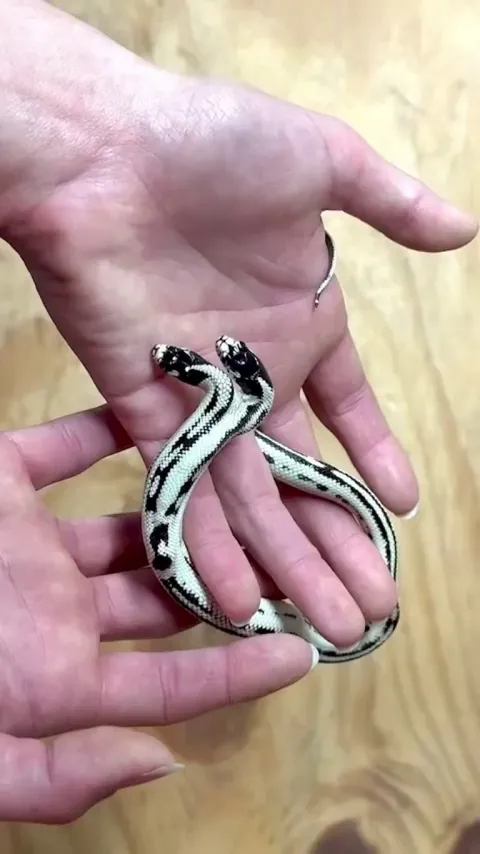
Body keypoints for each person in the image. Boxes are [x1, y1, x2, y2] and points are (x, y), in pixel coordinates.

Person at [0, 0, 476, 824]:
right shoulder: (223, 398)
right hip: (233, 408)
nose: (177, 369)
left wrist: (83, 137)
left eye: (192, 371)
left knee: (272, 539)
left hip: (233, 408)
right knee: (247, 512)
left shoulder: (225, 397)